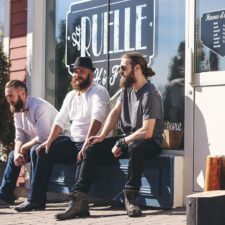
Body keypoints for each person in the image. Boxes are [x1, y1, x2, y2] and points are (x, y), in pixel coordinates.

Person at [55, 52, 164, 220]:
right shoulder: (127, 88)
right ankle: (79, 201)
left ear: (137, 68)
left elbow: (147, 132)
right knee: (91, 148)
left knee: (136, 146)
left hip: (149, 142)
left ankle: (131, 197)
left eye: (123, 68)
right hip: (128, 138)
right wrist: (102, 136)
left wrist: (122, 142)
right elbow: (114, 112)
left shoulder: (150, 94)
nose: (120, 71)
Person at [15, 57, 110, 212]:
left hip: (94, 141)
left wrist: (87, 142)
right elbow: (60, 120)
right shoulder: (71, 95)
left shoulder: (98, 91)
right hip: (73, 140)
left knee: (85, 151)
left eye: (82, 71)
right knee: (41, 151)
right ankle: (35, 200)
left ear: (91, 74)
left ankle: (78, 202)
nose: (78, 74)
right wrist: (49, 141)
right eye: (75, 71)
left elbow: (98, 118)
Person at [0, 80, 58, 207]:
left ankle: (34, 197)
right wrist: (16, 153)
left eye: (11, 96)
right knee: (11, 156)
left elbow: (43, 137)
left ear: (22, 93)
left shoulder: (39, 106)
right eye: (7, 96)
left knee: (34, 149)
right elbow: (19, 137)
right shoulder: (17, 111)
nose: (8, 100)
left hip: (59, 141)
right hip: (40, 143)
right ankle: (5, 196)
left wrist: (24, 148)